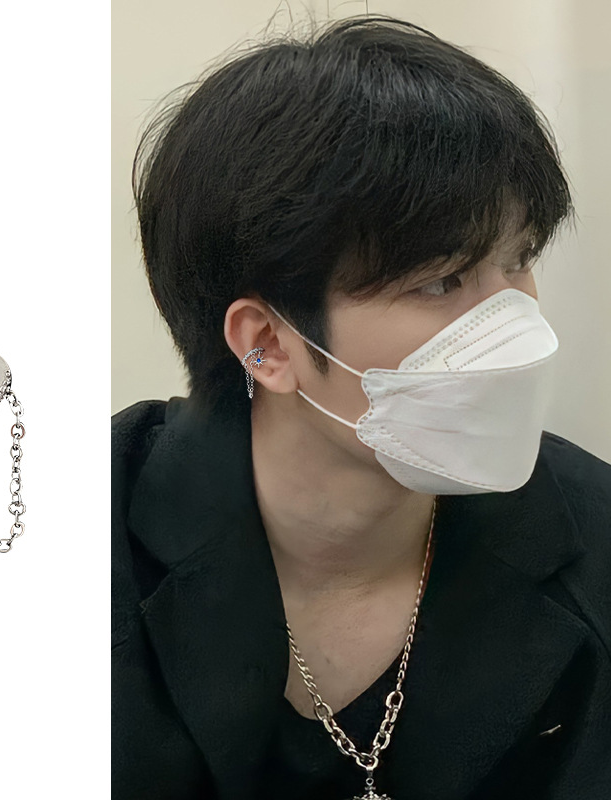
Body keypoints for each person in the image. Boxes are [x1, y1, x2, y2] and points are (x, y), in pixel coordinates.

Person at [112, 16, 611, 800]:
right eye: (442, 281)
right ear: (267, 344)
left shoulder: (594, 537)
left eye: (518, 262)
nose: (513, 326)